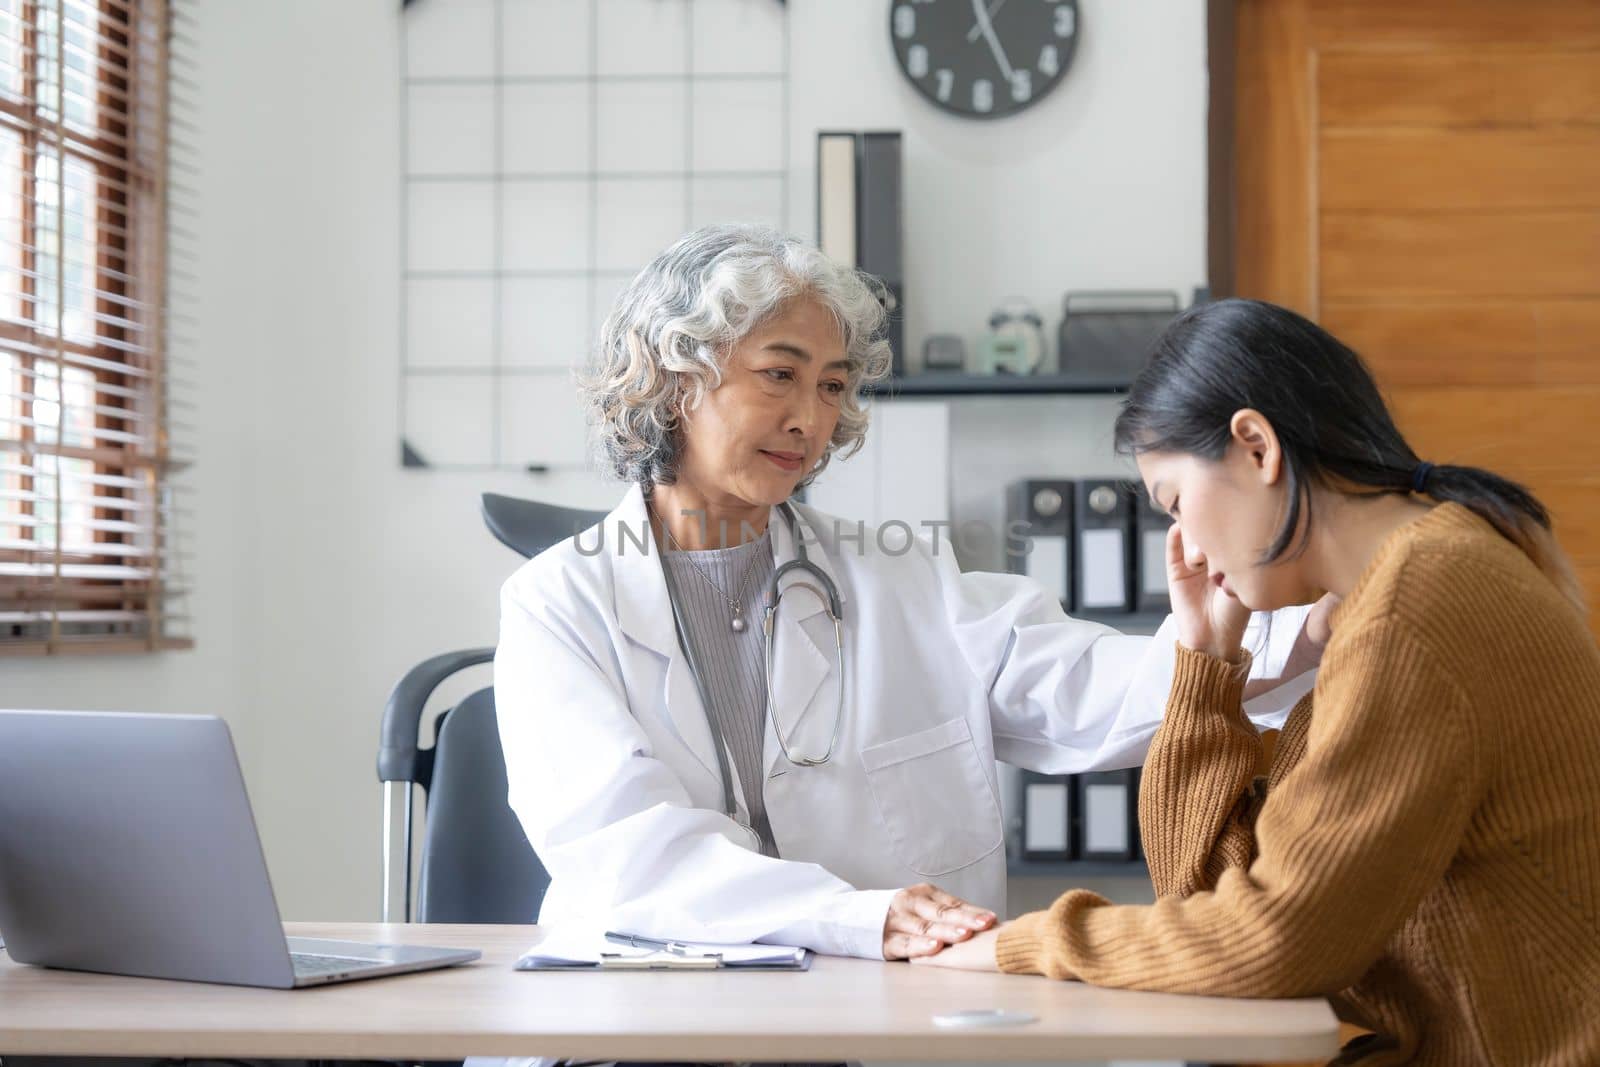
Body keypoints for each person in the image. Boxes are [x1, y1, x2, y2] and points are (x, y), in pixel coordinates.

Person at [494, 228, 1318, 964]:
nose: (809, 420)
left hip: (878, 1019)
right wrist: (853, 916)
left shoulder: (901, 577)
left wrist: (1295, 632)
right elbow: (627, 850)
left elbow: (1083, 687)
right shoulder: (556, 605)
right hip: (646, 1008)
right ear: (676, 381)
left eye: (831, 386)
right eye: (780, 374)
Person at [918, 298, 1600, 1066]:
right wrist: (1205, 665)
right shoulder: (1400, 588)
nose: (1187, 549)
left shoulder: (1415, 610)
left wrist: (1029, 940)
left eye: (1176, 503)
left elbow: (1272, 944)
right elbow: (1214, 896)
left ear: (1255, 446)